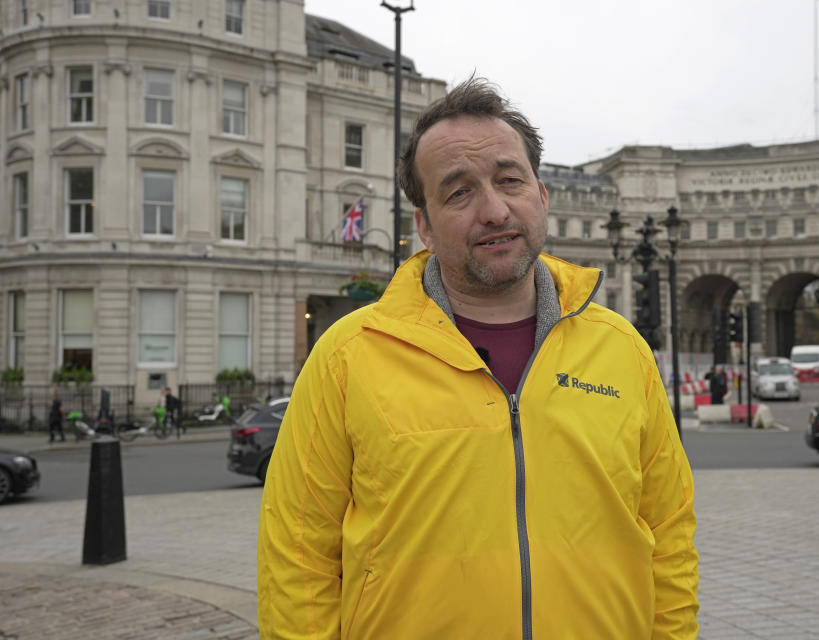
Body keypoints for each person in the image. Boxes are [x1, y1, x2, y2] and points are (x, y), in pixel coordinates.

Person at [258, 78, 699, 639]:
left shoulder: (622, 348)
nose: (494, 210)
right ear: (423, 224)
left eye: (509, 180)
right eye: (459, 192)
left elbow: (669, 531)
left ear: (541, 196)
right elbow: (297, 555)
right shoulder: (347, 355)